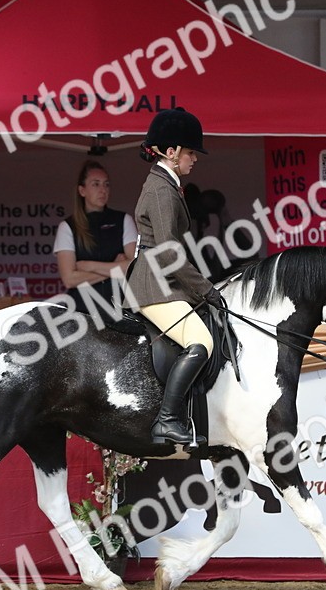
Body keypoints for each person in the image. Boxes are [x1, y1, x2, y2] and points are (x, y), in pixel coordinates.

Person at [126, 107, 224, 446]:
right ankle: (167, 420)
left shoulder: (168, 184)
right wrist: (206, 290)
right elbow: (169, 252)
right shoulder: (161, 190)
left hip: (162, 280)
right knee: (202, 343)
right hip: (153, 284)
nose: (194, 159)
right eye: (190, 152)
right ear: (171, 152)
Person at [54, 160, 137, 321]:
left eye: (106, 185)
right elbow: (69, 279)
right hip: (81, 312)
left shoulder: (123, 220)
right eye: (96, 184)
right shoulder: (68, 226)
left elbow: (133, 268)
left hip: (120, 309)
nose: (103, 190)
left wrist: (89, 266)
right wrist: (115, 268)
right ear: (82, 190)